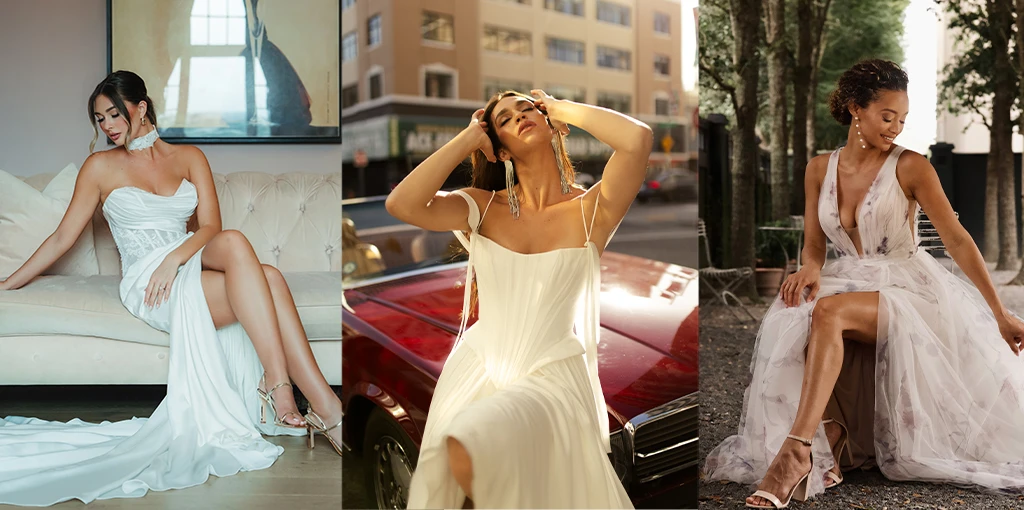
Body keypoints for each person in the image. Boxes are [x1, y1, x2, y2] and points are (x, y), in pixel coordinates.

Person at [0, 70, 341, 506]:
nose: (107, 126)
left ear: (141, 108)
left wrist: (175, 258)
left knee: (261, 267)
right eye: (99, 119)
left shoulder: (189, 158)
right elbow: (63, 238)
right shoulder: (100, 167)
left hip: (181, 260)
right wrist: (10, 281)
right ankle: (297, 395)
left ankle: (309, 400)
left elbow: (212, 228)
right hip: (149, 281)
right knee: (261, 269)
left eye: (113, 114)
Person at [702, 59, 1024, 509]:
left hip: (910, 289)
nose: (896, 127)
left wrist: (999, 312)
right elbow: (813, 246)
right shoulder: (818, 169)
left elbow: (957, 239)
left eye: (903, 119)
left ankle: (795, 453)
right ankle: (830, 439)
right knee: (797, 312)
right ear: (857, 108)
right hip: (847, 277)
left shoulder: (911, 166)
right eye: (887, 116)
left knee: (828, 312)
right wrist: (809, 268)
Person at [387, 89, 652, 508]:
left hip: (550, 375)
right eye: (505, 120)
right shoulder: (479, 206)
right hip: (477, 368)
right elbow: (401, 203)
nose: (520, 117)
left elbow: (637, 139)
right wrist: (470, 138)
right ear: (500, 149)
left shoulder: (591, 210)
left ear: (549, 123)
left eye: (528, 109)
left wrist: (559, 109)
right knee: (470, 480)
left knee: (475, 444)